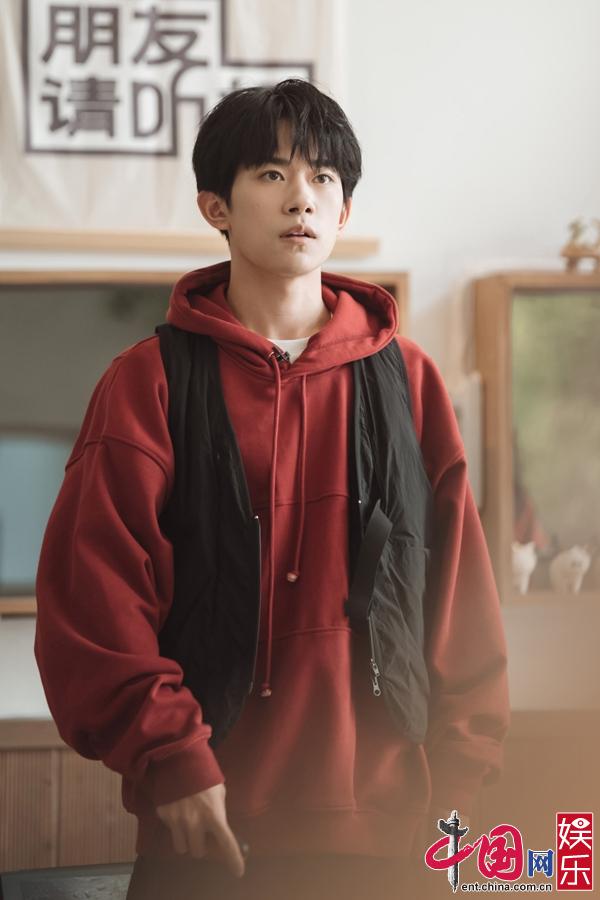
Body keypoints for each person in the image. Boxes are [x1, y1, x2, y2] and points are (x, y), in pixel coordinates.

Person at [34, 79, 510, 899]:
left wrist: (461, 784)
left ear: (345, 211)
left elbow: (461, 592)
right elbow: (94, 600)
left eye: (323, 177)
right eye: (272, 174)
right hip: (206, 831)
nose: (302, 197)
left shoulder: (408, 380)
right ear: (215, 207)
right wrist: (171, 759)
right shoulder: (149, 382)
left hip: (392, 837)